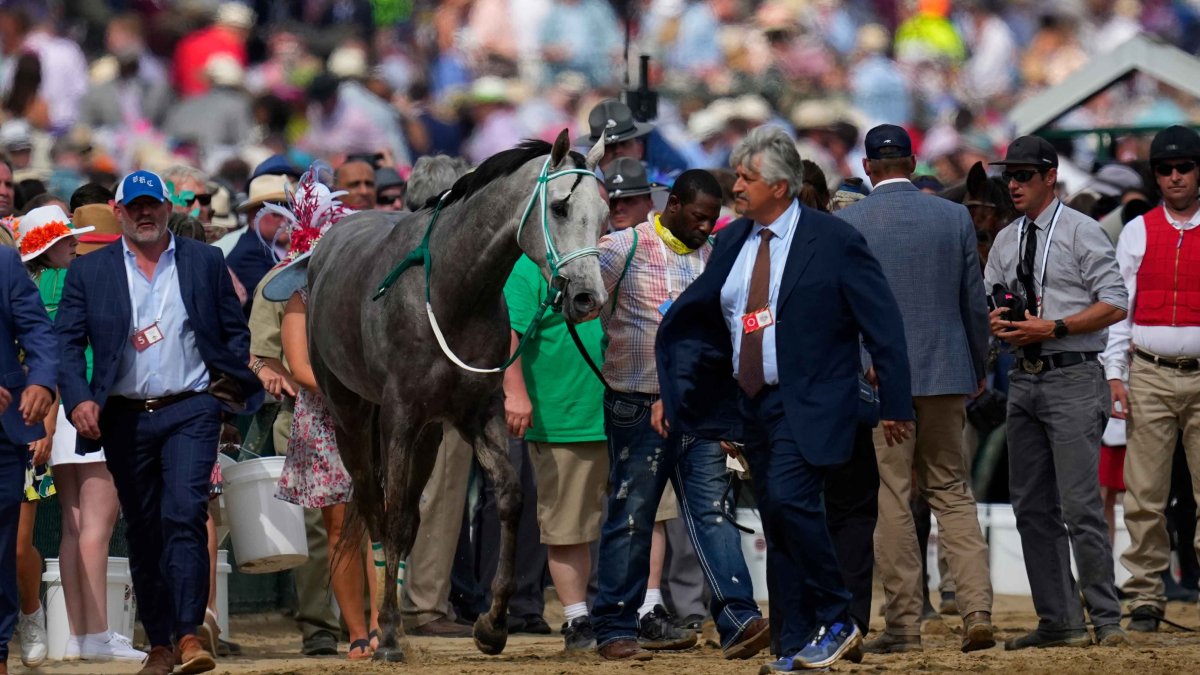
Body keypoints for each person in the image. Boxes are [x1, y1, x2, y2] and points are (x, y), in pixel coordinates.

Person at [656, 126, 913, 672]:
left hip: (815, 398)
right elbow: (714, 323)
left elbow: (883, 324)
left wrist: (895, 401)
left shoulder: (835, 239)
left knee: (794, 503)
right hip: (752, 405)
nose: (736, 185)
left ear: (780, 185)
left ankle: (839, 617)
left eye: (747, 177)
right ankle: (795, 640)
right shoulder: (730, 240)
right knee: (777, 516)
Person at [55, 170, 262, 675]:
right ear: (119, 212)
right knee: (144, 529)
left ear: (169, 209)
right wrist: (79, 399)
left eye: (154, 204)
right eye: (135, 206)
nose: (145, 213)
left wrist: (223, 396)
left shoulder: (204, 261)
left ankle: (190, 634)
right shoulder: (92, 271)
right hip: (124, 416)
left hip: (191, 407)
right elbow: (65, 344)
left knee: (185, 512)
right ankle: (161, 641)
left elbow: (235, 333)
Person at [591, 170, 769, 661]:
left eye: (712, 219)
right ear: (672, 205)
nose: (706, 227)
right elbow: (581, 307)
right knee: (633, 513)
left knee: (714, 512)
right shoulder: (620, 249)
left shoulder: (713, 257)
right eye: (698, 217)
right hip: (636, 402)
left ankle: (739, 618)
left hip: (700, 410)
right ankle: (613, 627)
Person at [835, 124, 994, 654]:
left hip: (883, 378)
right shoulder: (952, 216)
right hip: (947, 371)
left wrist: (863, 363)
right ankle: (976, 610)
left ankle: (903, 626)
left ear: (868, 167)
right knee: (952, 490)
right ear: (910, 160)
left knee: (894, 498)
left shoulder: (852, 221)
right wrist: (976, 364)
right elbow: (973, 301)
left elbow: (846, 310)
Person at [983, 135, 1129, 649]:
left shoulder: (1082, 231)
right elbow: (991, 300)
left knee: (1080, 505)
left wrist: (1056, 328)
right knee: (1030, 506)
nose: (1013, 184)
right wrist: (998, 320)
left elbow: (1116, 301)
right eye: (1009, 176)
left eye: (1024, 175)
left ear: (1050, 177)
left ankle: (1106, 618)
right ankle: (1059, 620)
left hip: (1070, 370)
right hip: (1024, 374)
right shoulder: (1005, 239)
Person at [16, 206, 143, 664]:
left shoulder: (28, 285)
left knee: (74, 530)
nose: (77, 245)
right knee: (96, 527)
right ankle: (96, 635)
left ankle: (79, 635)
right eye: (69, 239)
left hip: (51, 412)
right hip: (86, 404)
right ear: (49, 246)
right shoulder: (78, 280)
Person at [1102, 125, 1200, 632]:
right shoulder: (1138, 231)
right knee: (1144, 494)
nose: (1176, 176)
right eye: (1166, 169)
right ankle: (1144, 596)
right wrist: (1116, 374)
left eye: (1184, 167)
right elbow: (1122, 311)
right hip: (1150, 374)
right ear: (1156, 176)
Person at [274, 171, 375, 659]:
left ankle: (381, 625)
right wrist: (358, 385)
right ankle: (357, 632)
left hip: (368, 413)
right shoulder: (301, 299)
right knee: (341, 528)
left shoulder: (365, 296)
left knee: (375, 523)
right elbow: (299, 368)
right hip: (327, 418)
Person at [503, 240, 608, 653]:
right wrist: (515, 394)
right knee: (567, 529)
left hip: (626, 406)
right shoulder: (528, 268)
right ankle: (577, 619)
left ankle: (644, 610)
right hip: (562, 415)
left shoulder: (613, 255)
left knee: (647, 520)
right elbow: (507, 332)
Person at [0, 236, 56, 675]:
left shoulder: (3, 261)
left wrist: (39, 381)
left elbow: (38, 329)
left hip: (4, 428)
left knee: (4, 547)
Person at [226, 173, 291, 312]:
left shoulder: (270, 248)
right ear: (253, 215)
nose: (287, 220)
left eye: (291, 210)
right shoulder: (249, 255)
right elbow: (280, 301)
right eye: (277, 212)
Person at [602, 158, 665, 232]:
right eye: (612, 201)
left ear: (649, 204)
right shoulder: (596, 243)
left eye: (628, 199)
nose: (618, 208)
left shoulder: (664, 241)